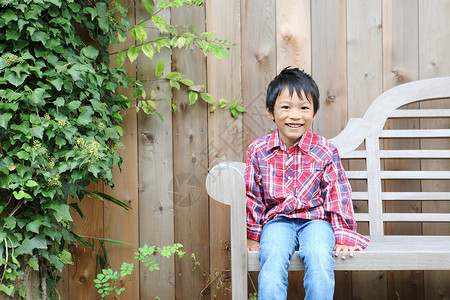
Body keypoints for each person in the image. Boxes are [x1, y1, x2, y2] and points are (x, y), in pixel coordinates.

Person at [245, 66, 369, 300]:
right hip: (277, 221)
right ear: (270, 112)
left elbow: (337, 193)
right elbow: (253, 196)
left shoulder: (324, 150)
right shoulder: (259, 150)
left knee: (320, 257)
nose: (295, 115)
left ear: (314, 113)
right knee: (271, 258)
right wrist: (253, 234)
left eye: (304, 108)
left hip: (316, 222)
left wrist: (343, 234)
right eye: (286, 107)